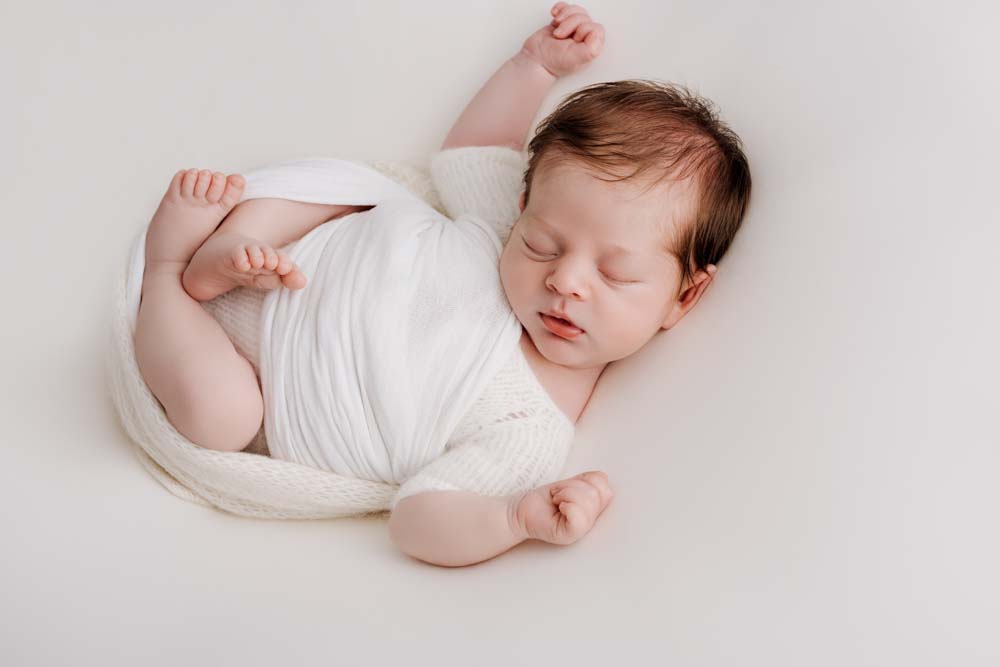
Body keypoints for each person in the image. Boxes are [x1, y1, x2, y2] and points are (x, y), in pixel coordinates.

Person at [134, 2, 751, 566]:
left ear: (685, 296)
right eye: (543, 243)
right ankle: (225, 248)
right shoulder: (500, 224)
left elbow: (419, 518)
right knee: (352, 190)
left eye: (614, 273)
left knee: (219, 417)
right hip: (301, 253)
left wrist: (515, 517)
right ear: (523, 207)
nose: (563, 278)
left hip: (272, 378)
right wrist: (533, 66)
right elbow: (476, 148)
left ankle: (167, 274)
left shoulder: (529, 428)